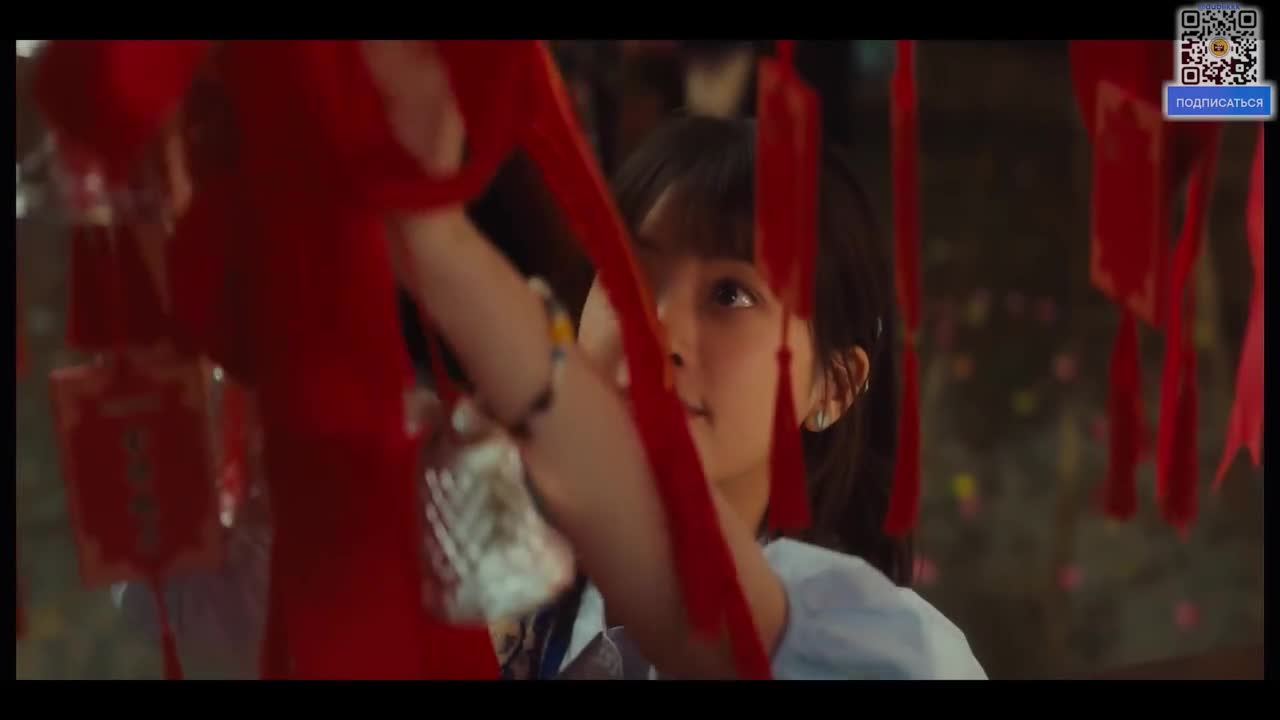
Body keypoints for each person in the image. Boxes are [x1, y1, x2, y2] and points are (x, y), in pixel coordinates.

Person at [118, 41, 986, 680]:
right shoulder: (500, 575)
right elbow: (211, 615)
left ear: (834, 386)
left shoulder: (895, 652)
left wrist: (431, 235)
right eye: (631, 275)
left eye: (731, 294)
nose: (656, 329)